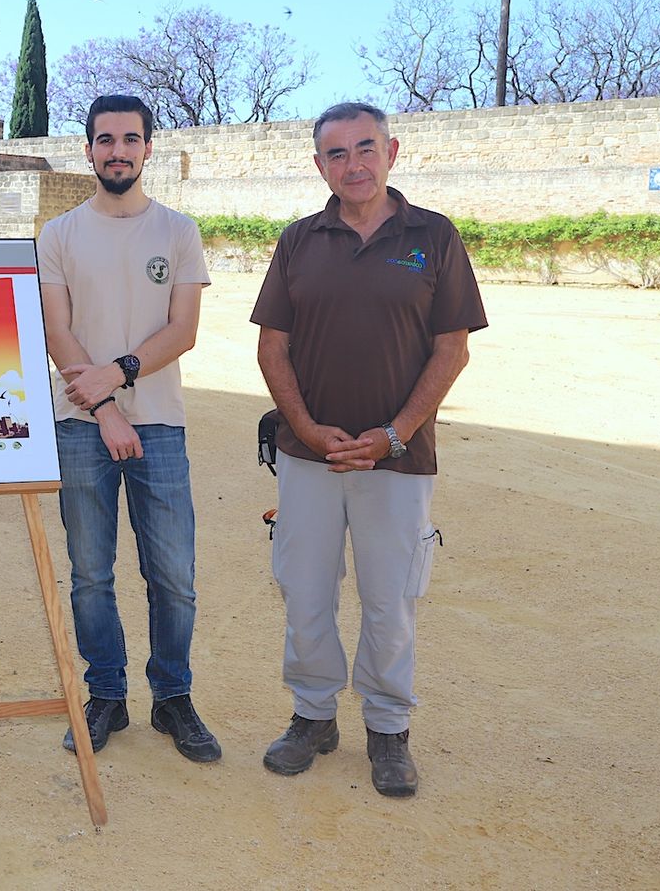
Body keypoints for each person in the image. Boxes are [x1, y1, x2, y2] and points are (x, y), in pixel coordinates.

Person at [251, 102, 487, 798]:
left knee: (391, 599)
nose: (352, 164)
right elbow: (273, 347)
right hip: (307, 456)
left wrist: (395, 433)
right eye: (336, 154)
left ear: (392, 152)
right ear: (318, 164)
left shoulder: (434, 237)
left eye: (365, 149)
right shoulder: (298, 241)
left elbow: (452, 349)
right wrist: (308, 427)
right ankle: (312, 716)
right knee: (305, 591)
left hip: (399, 458)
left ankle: (388, 730)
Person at [36, 94, 221, 762]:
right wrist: (105, 410)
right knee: (90, 574)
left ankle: (173, 698)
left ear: (149, 148)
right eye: (105, 139)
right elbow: (58, 331)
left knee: (174, 575)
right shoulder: (57, 236)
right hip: (81, 428)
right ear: (86, 150)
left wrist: (116, 377)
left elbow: (183, 331)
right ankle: (106, 694)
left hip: (161, 425)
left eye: (130, 139)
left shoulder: (178, 231)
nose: (118, 150)